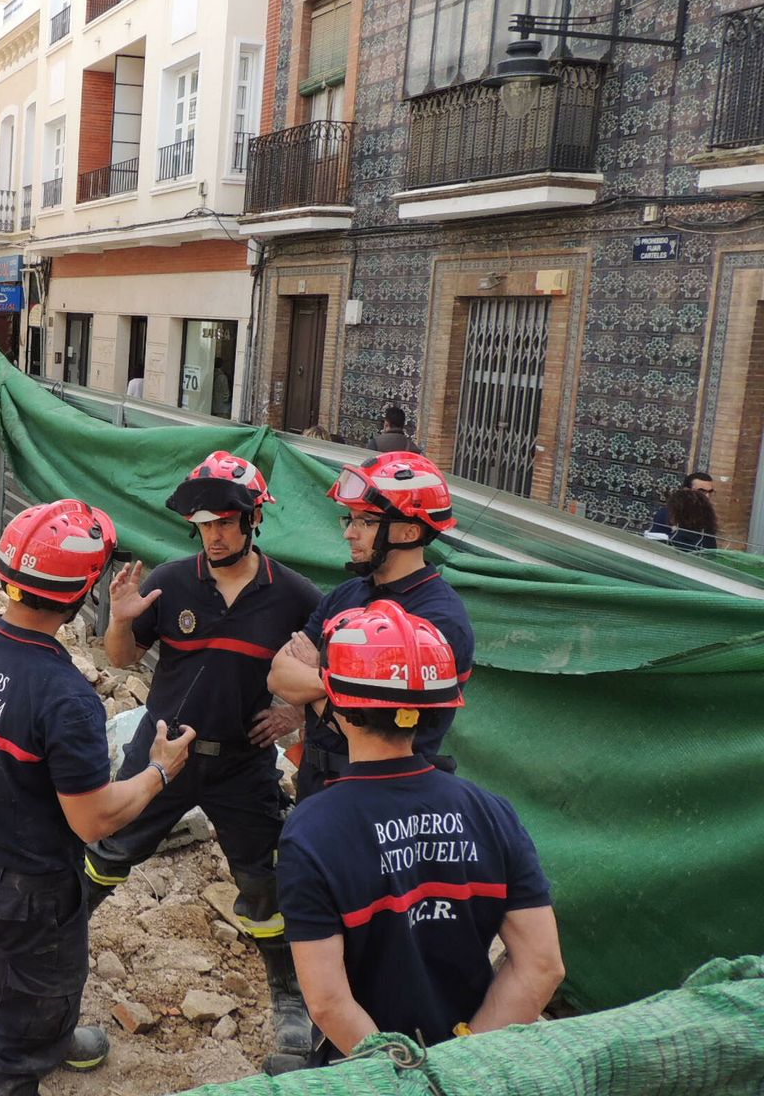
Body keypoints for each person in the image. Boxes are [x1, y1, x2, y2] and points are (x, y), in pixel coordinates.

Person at [0, 499, 196, 1096]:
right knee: (27, 1013)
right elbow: (94, 819)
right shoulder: (64, 695)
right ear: (84, 590)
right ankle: (23, 1053)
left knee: (22, 964)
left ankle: (51, 1027)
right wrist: (159, 771)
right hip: (33, 884)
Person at [87, 452, 322, 1073]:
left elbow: (325, 670)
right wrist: (121, 618)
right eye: (203, 523)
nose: (213, 534)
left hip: (244, 764)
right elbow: (118, 660)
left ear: (252, 520)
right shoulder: (172, 581)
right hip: (162, 752)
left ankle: (291, 997)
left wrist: (294, 714)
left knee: (264, 882)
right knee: (106, 852)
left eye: (225, 522)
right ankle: (55, 958)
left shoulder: (295, 596)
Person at [277, 601, 564, 1063]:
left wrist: (410, 1078)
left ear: (339, 705)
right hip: (469, 1069)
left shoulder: (311, 832)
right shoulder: (491, 811)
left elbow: (329, 1002)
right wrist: (459, 1064)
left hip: (365, 1071)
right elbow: (542, 965)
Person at [268, 452, 474, 800]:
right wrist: (347, 690)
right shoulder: (348, 593)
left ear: (409, 530)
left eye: (365, 521)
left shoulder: (438, 621)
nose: (349, 533)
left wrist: (317, 674)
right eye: (350, 519)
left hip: (383, 798)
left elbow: (378, 737)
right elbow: (278, 675)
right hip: (317, 785)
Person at [646, 471, 717, 550]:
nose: (707, 496)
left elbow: (710, 546)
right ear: (687, 490)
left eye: (710, 492)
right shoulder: (668, 513)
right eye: (702, 491)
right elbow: (654, 544)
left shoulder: (706, 515)